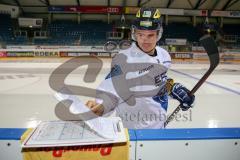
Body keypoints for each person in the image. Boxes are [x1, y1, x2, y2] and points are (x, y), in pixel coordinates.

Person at [86, 7, 195, 129]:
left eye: (150, 35)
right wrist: (98, 107)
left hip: (159, 126)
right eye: (140, 34)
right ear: (134, 33)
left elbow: (156, 81)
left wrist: (173, 88)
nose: (145, 40)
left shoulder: (164, 55)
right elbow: (110, 91)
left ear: (158, 34)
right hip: (134, 131)